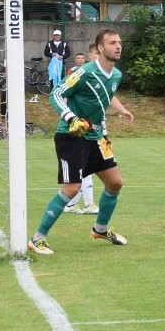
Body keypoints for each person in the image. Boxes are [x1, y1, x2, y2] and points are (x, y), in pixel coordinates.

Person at [28, 29, 134, 255]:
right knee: (72, 188)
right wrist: (71, 118)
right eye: (112, 43)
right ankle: (37, 238)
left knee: (115, 182)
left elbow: (108, 93)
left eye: (119, 42)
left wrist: (123, 110)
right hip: (71, 136)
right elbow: (56, 93)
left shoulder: (116, 75)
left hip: (96, 137)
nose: (118, 46)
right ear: (100, 49)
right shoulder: (84, 72)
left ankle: (100, 228)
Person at [64, 46, 99, 215]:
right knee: (85, 167)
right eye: (96, 54)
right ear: (90, 55)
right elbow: (62, 92)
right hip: (82, 126)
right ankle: (87, 203)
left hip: (94, 127)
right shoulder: (79, 73)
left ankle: (73, 204)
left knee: (85, 167)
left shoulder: (103, 75)